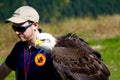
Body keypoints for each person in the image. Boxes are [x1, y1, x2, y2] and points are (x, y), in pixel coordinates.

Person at [0, 6, 61, 80]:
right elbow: (5, 69)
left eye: (21, 28)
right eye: (14, 28)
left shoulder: (53, 49)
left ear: (35, 25)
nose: (17, 32)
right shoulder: (18, 47)